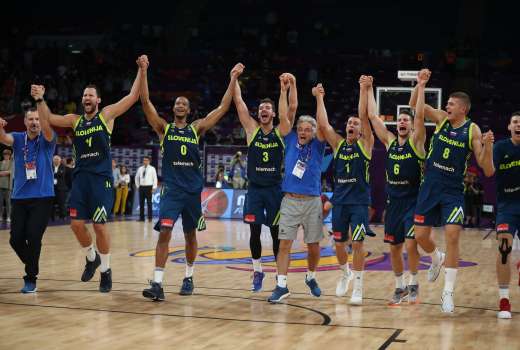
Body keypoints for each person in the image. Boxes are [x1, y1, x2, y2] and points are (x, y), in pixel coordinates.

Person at [33, 55, 147, 293]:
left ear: (98, 99)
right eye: (84, 95)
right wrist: (40, 99)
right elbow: (49, 118)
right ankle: (91, 257)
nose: (86, 98)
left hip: (101, 181)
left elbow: (132, 97)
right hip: (80, 179)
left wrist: (141, 69)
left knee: (100, 226)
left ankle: (106, 271)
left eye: (90, 95)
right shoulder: (75, 121)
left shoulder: (106, 116)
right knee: (75, 225)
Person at [140, 57, 243, 301]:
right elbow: (145, 101)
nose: (179, 105)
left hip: (192, 192)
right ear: (173, 108)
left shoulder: (196, 128)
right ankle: (157, 283)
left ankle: (188, 276)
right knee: (164, 231)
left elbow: (222, 108)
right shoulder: (164, 129)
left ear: (188, 109)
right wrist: (143, 70)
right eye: (176, 103)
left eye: (183, 103)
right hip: (172, 190)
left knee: (190, 236)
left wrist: (233, 79)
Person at [409, 68, 494, 313]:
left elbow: (487, 170)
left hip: (452, 190)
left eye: (451, 103)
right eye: (447, 103)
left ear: (463, 109)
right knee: (421, 236)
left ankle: (447, 293)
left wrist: (487, 147)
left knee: (453, 235)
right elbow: (414, 103)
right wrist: (421, 84)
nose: (447, 106)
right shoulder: (441, 119)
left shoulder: (473, 130)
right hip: (430, 186)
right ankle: (436, 257)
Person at [233, 72, 297, 292]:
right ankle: (257, 271)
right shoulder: (252, 131)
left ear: (272, 113)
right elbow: (239, 104)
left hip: (275, 190)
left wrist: (284, 90)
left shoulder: (280, 132)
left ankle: (280, 279)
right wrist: (234, 80)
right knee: (254, 231)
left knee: (276, 233)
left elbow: (289, 110)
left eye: (267, 108)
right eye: (261, 109)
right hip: (255, 190)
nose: (263, 111)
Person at [367, 71, 427, 305]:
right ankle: (399, 286)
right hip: (393, 204)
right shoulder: (390, 142)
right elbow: (372, 116)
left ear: (411, 127)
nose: (402, 122)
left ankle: (413, 282)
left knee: (411, 245)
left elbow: (420, 116)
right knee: (394, 248)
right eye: (400, 120)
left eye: (406, 121)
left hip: (413, 203)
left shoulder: (416, 142)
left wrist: (420, 86)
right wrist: (369, 88)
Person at [313, 76, 374, 305]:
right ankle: (345, 273)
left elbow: (366, 116)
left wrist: (363, 89)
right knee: (339, 244)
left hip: (358, 203)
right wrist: (320, 98)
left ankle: (358, 287)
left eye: (355, 124)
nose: (351, 125)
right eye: (349, 123)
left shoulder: (365, 145)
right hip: (339, 202)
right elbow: (324, 124)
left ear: (361, 131)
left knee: (357, 243)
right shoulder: (338, 145)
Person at [268, 95, 327, 303]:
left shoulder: (319, 144)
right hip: (290, 200)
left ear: (313, 132)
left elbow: (323, 123)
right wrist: (283, 90)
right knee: (284, 244)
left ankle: (311, 277)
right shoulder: (290, 138)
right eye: (301, 128)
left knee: (313, 245)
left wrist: (320, 98)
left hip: (312, 201)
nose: (303, 132)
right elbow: (284, 116)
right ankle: (281, 285)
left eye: (307, 130)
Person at [0, 106, 55, 293]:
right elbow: (3, 138)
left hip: (42, 197)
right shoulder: (17, 138)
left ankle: (30, 277)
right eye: (30, 119)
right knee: (15, 240)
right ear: (25, 122)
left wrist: (41, 104)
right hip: (19, 197)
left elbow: (48, 129)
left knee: (33, 236)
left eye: (37, 119)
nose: (34, 123)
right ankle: (32, 263)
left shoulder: (48, 139)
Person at [485, 111, 520, 319]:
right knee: (504, 248)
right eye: (515, 122)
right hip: (507, 205)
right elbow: (489, 172)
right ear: (509, 127)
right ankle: (504, 299)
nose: (518, 125)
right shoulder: (500, 147)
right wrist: (487, 146)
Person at [134, 156, 157, 221]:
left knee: (149, 203)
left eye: (146, 160)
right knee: (141, 203)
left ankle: (150, 218)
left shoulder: (152, 169)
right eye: (144, 160)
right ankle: (141, 218)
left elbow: (155, 178)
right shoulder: (140, 169)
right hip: (141, 187)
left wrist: (154, 187)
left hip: (149, 187)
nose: (145, 161)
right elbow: (136, 178)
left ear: (149, 161)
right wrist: (138, 186)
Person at [51, 155, 68, 220]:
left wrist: (54, 174)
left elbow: (61, 174)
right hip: (52, 188)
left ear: (60, 161)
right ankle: (52, 217)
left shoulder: (62, 167)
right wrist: (56, 173)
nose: (56, 161)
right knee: (51, 204)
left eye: (57, 160)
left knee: (62, 203)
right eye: (55, 159)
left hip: (61, 189)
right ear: (53, 160)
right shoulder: (51, 167)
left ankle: (63, 216)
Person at [0, 149, 13, 222]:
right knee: (0, 202)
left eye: (7, 154)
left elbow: (10, 172)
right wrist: (5, 172)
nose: (6, 155)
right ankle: (0, 216)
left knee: (8, 202)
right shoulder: (1, 163)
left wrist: (3, 172)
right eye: (5, 154)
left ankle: (8, 216)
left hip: (8, 185)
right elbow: (6, 172)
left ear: (9, 155)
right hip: (0, 185)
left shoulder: (11, 163)